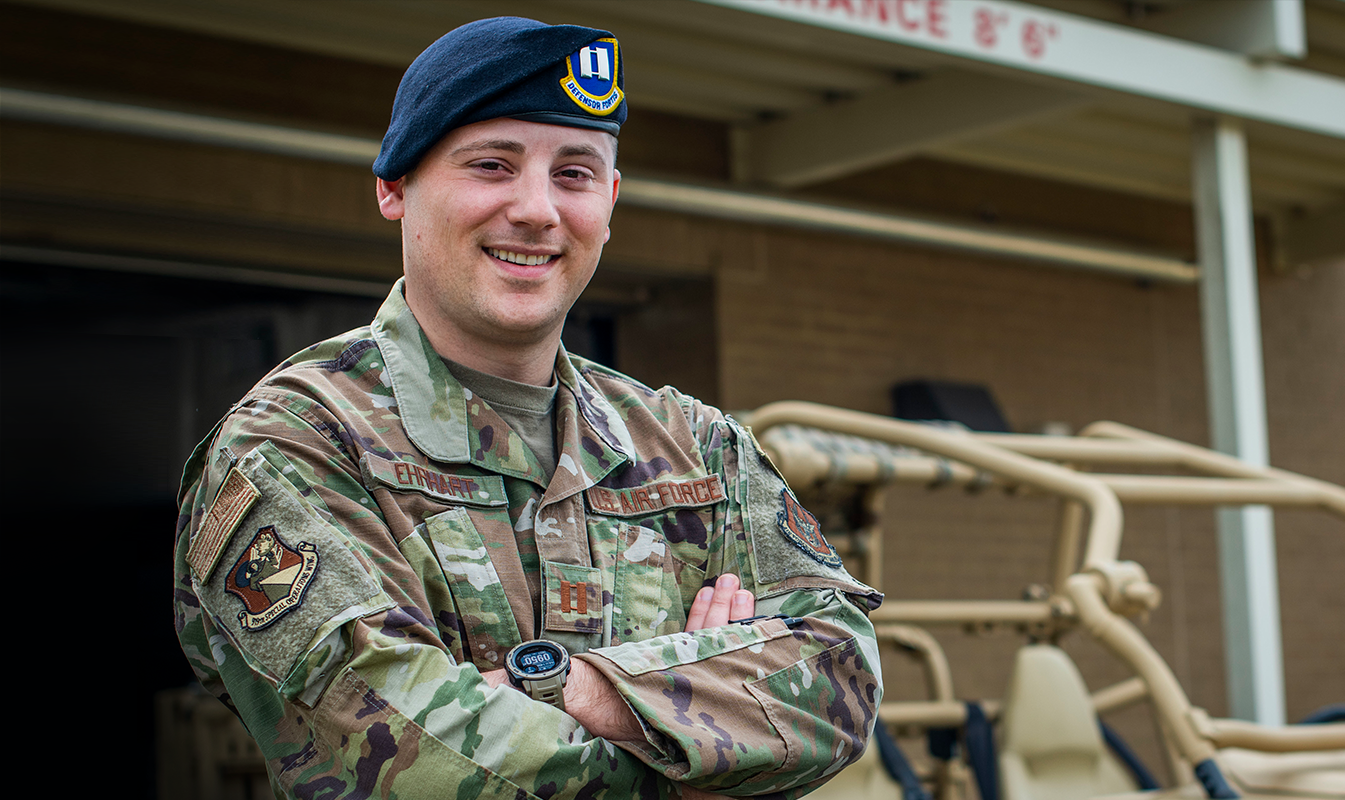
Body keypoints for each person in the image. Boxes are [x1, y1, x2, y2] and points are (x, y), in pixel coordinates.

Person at [172, 16, 882, 800]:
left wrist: (576, 689)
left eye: (574, 173)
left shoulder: (696, 446)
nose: (538, 209)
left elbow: (841, 676)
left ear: (609, 202)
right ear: (393, 185)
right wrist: (701, 739)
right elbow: (414, 766)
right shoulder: (295, 444)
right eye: (492, 165)